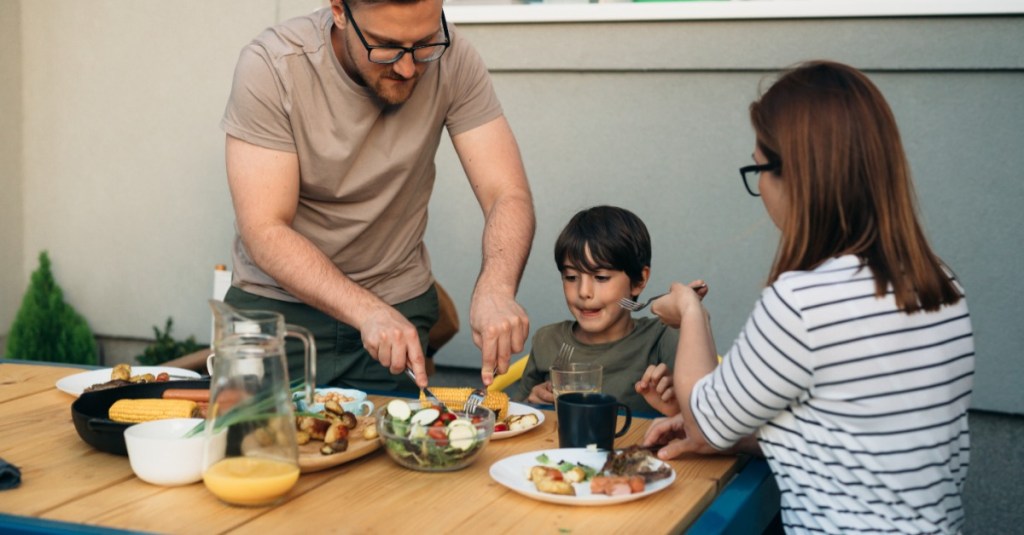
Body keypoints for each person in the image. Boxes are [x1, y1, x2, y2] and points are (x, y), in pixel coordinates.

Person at [644, 61, 974, 533]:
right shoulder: (940, 285)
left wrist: (689, 312)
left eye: (759, 167)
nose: (759, 185)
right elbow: (854, 435)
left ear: (797, 176)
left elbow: (701, 418)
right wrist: (736, 438)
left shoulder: (805, 301)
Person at [220, 0, 534, 392]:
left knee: (398, 446)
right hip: (277, 313)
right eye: (385, 46)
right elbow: (265, 229)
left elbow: (507, 192)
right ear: (339, 10)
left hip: (398, 311)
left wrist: (496, 289)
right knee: (257, 450)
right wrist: (366, 311)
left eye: (423, 44)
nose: (407, 68)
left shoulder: (453, 56)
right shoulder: (272, 65)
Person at [518, 205, 706, 416]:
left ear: (639, 280)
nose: (584, 292)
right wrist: (532, 402)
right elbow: (517, 417)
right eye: (571, 277)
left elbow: (708, 413)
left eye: (601, 278)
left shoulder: (662, 336)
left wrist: (690, 312)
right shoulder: (547, 340)